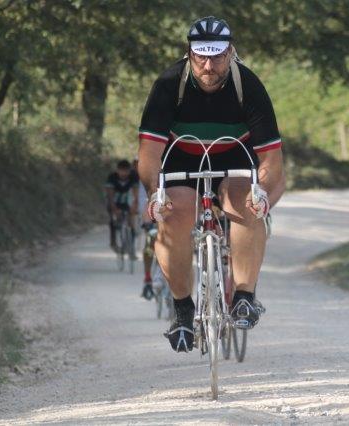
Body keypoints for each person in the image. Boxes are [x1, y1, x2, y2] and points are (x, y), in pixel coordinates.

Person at [137, 16, 285, 352]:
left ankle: (244, 297)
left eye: (217, 57)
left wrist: (262, 194)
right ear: (189, 53)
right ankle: (183, 310)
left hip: (235, 156)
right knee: (174, 214)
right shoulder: (169, 84)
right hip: (181, 157)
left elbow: (272, 160)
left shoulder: (247, 84)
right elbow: (149, 154)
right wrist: (154, 194)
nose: (208, 66)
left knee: (245, 203)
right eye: (201, 57)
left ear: (230, 52)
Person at [104, 160, 139, 254]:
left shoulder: (133, 177)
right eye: (121, 171)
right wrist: (115, 210)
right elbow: (110, 196)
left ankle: (131, 245)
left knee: (131, 222)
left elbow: (136, 195)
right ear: (117, 170)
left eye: (126, 171)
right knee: (113, 221)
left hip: (126, 201)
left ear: (129, 171)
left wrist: (134, 206)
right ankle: (113, 242)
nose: (124, 174)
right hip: (113, 200)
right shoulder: (112, 178)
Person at [133, 156, 155, 300]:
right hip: (149, 213)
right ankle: (147, 278)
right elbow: (144, 202)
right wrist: (147, 221)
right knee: (149, 243)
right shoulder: (142, 181)